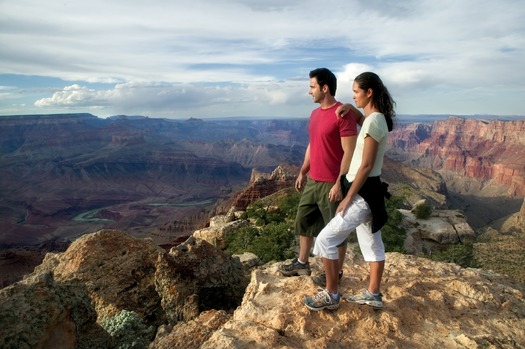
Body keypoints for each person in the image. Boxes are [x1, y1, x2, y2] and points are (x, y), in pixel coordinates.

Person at [303, 71, 395, 311]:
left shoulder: (374, 121)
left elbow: (365, 165)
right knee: (372, 244)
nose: (353, 96)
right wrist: (352, 111)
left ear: (369, 92)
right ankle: (374, 293)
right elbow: (365, 124)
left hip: (363, 194)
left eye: (356, 92)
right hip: (372, 194)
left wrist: (349, 197)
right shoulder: (376, 118)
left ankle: (332, 294)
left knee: (325, 239)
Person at [279, 68, 362, 285]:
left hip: (331, 184)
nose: (309, 92)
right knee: (304, 222)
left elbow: (349, 152)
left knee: (336, 231)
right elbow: (312, 145)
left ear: (325, 88)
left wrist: (338, 183)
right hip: (313, 180)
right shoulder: (315, 114)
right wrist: (303, 171)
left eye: (312, 87)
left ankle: (336, 273)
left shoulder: (342, 115)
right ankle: (302, 263)